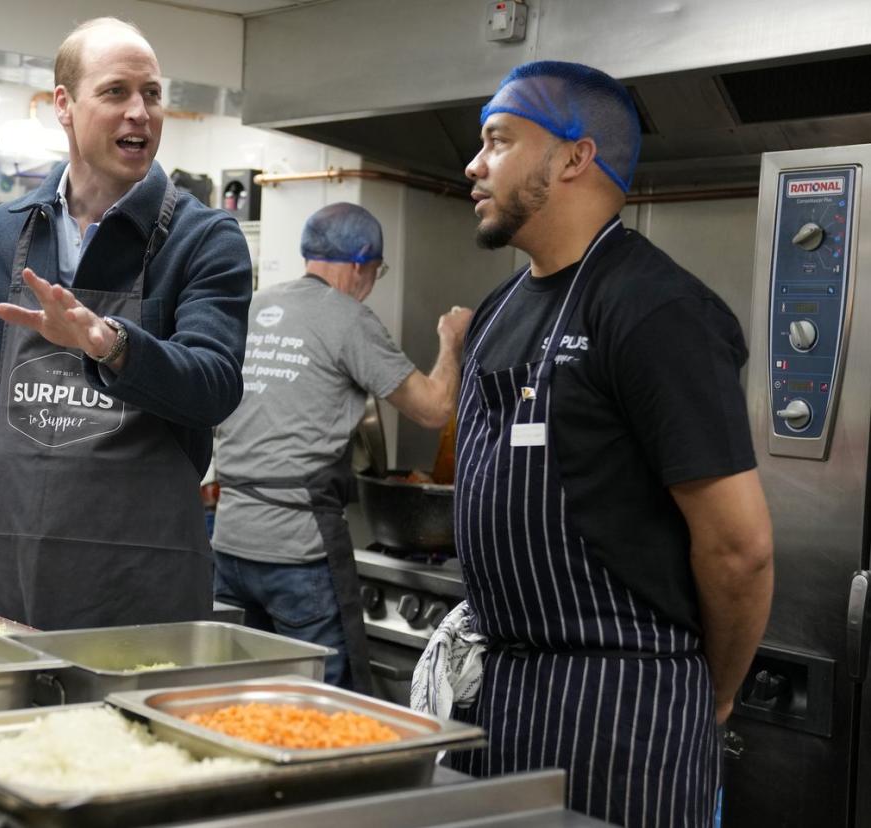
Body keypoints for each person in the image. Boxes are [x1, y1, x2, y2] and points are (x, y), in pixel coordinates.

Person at [432, 61, 773, 826]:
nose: (473, 164)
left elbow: (739, 548)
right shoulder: (498, 308)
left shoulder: (658, 311)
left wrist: (711, 694)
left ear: (574, 157)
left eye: (497, 141)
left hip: (624, 711)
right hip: (500, 697)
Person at [0, 18, 252, 630]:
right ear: (64, 104)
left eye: (152, 94)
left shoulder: (204, 237)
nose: (140, 112)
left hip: (139, 578)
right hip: (9, 561)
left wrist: (107, 344)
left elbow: (214, 385)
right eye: (115, 92)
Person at [212, 203, 471, 692]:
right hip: (298, 550)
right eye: (376, 271)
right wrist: (451, 339)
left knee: (242, 692)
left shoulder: (251, 307)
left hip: (228, 541)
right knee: (319, 696)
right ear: (360, 265)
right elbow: (435, 409)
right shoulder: (349, 318)